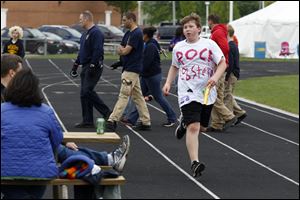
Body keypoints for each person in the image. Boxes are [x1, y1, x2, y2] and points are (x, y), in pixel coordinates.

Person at [162, 13, 227, 177]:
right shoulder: (179, 48)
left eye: (191, 26)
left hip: (206, 91)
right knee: (194, 127)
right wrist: (168, 82)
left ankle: (184, 122)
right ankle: (194, 163)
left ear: (198, 29)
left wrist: (214, 77)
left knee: (203, 127)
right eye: (185, 27)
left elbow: (222, 63)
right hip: (187, 90)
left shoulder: (209, 44)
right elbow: (175, 66)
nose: (188, 29)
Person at [1, 69, 63, 199]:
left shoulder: (2, 110)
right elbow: (57, 140)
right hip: (40, 171)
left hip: (6, 170)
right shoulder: (46, 112)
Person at [122, 26, 177, 127]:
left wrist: (138, 71)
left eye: (142, 35)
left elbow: (147, 63)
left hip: (152, 75)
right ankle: (132, 119)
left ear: (146, 35)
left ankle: (172, 117)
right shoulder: (149, 44)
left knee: (158, 97)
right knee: (139, 97)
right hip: (147, 75)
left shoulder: (150, 46)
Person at [106, 12, 151, 132]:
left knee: (124, 95)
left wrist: (122, 51)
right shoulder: (127, 33)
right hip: (128, 67)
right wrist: (122, 52)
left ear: (131, 20)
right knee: (138, 97)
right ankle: (146, 121)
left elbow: (125, 51)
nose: (123, 22)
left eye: (124, 20)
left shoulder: (136, 34)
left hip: (132, 69)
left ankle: (112, 119)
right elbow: (121, 48)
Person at [70, 10, 111, 128]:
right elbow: (82, 51)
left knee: (87, 90)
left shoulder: (96, 33)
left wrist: (93, 64)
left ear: (87, 19)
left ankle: (107, 112)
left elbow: (98, 50)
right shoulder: (84, 34)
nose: (79, 21)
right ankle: (87, 120)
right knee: (83, 94)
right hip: (85, 65)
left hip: (94, 66)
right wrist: (75, 65)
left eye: (81, 19)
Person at [206, 14, 236, 132]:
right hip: (221, 67)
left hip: (219, 67)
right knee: (218, 95)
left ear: (210, 21)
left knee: (210, 94)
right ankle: (217, 124)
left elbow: (225, 48)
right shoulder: (220, 31)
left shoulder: (217, 32)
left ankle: (228, 116)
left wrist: (216, 58)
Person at [57, 135, 130, 173]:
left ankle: (109, 159)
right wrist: (63, 142)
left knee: (74, 149)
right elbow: (55, 133)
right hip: (49, 167)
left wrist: (64, 142)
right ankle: (110, 160)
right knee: (65, 152)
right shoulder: (46, 112)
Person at [224, 25, 247, 126]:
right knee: (228, 95)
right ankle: (239, 113)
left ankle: (229, 117)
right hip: (234, 73)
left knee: (227, 96)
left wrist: (226, 76)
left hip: (231, 74)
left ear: (227, 33)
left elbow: (231, 64)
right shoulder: (234, 45)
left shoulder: (230, 46)